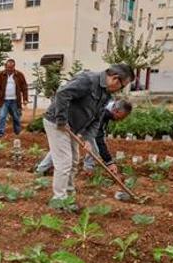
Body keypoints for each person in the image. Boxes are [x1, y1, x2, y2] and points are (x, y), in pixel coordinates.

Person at [42, 64, 134, 206]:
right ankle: (59, 200)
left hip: (72, 127)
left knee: (74, 161)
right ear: (115, 79)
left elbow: (97, 119)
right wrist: (61, 119)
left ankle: (69, 196)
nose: (120, 89)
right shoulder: (89, 80)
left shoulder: (106, 95)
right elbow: (62, 93)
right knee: (64, 162)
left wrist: (88, 140)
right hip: (57, 123)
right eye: (122, 86)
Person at [36, 99, 132, 174]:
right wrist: (109, 162)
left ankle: (41, 168)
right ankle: (88, 169)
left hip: (77, 125)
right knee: (91, 149)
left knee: (61, 148)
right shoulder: (103, 111)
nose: (121, 120)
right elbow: (98, 138)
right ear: (116, 111)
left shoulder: (107, 111)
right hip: (65, 122)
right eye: (122, 117)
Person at [0, 59, 29, 137]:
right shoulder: (0, 75)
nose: (9, 69)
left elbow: (24, 87)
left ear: (14, 67)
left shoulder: (19, 75)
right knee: (2, 116)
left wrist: (25, 99)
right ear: (5, 66)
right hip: (4, 100)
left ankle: (18, 133)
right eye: (8, 67)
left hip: (15, 100)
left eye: (11, 67)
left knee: (16, 117)